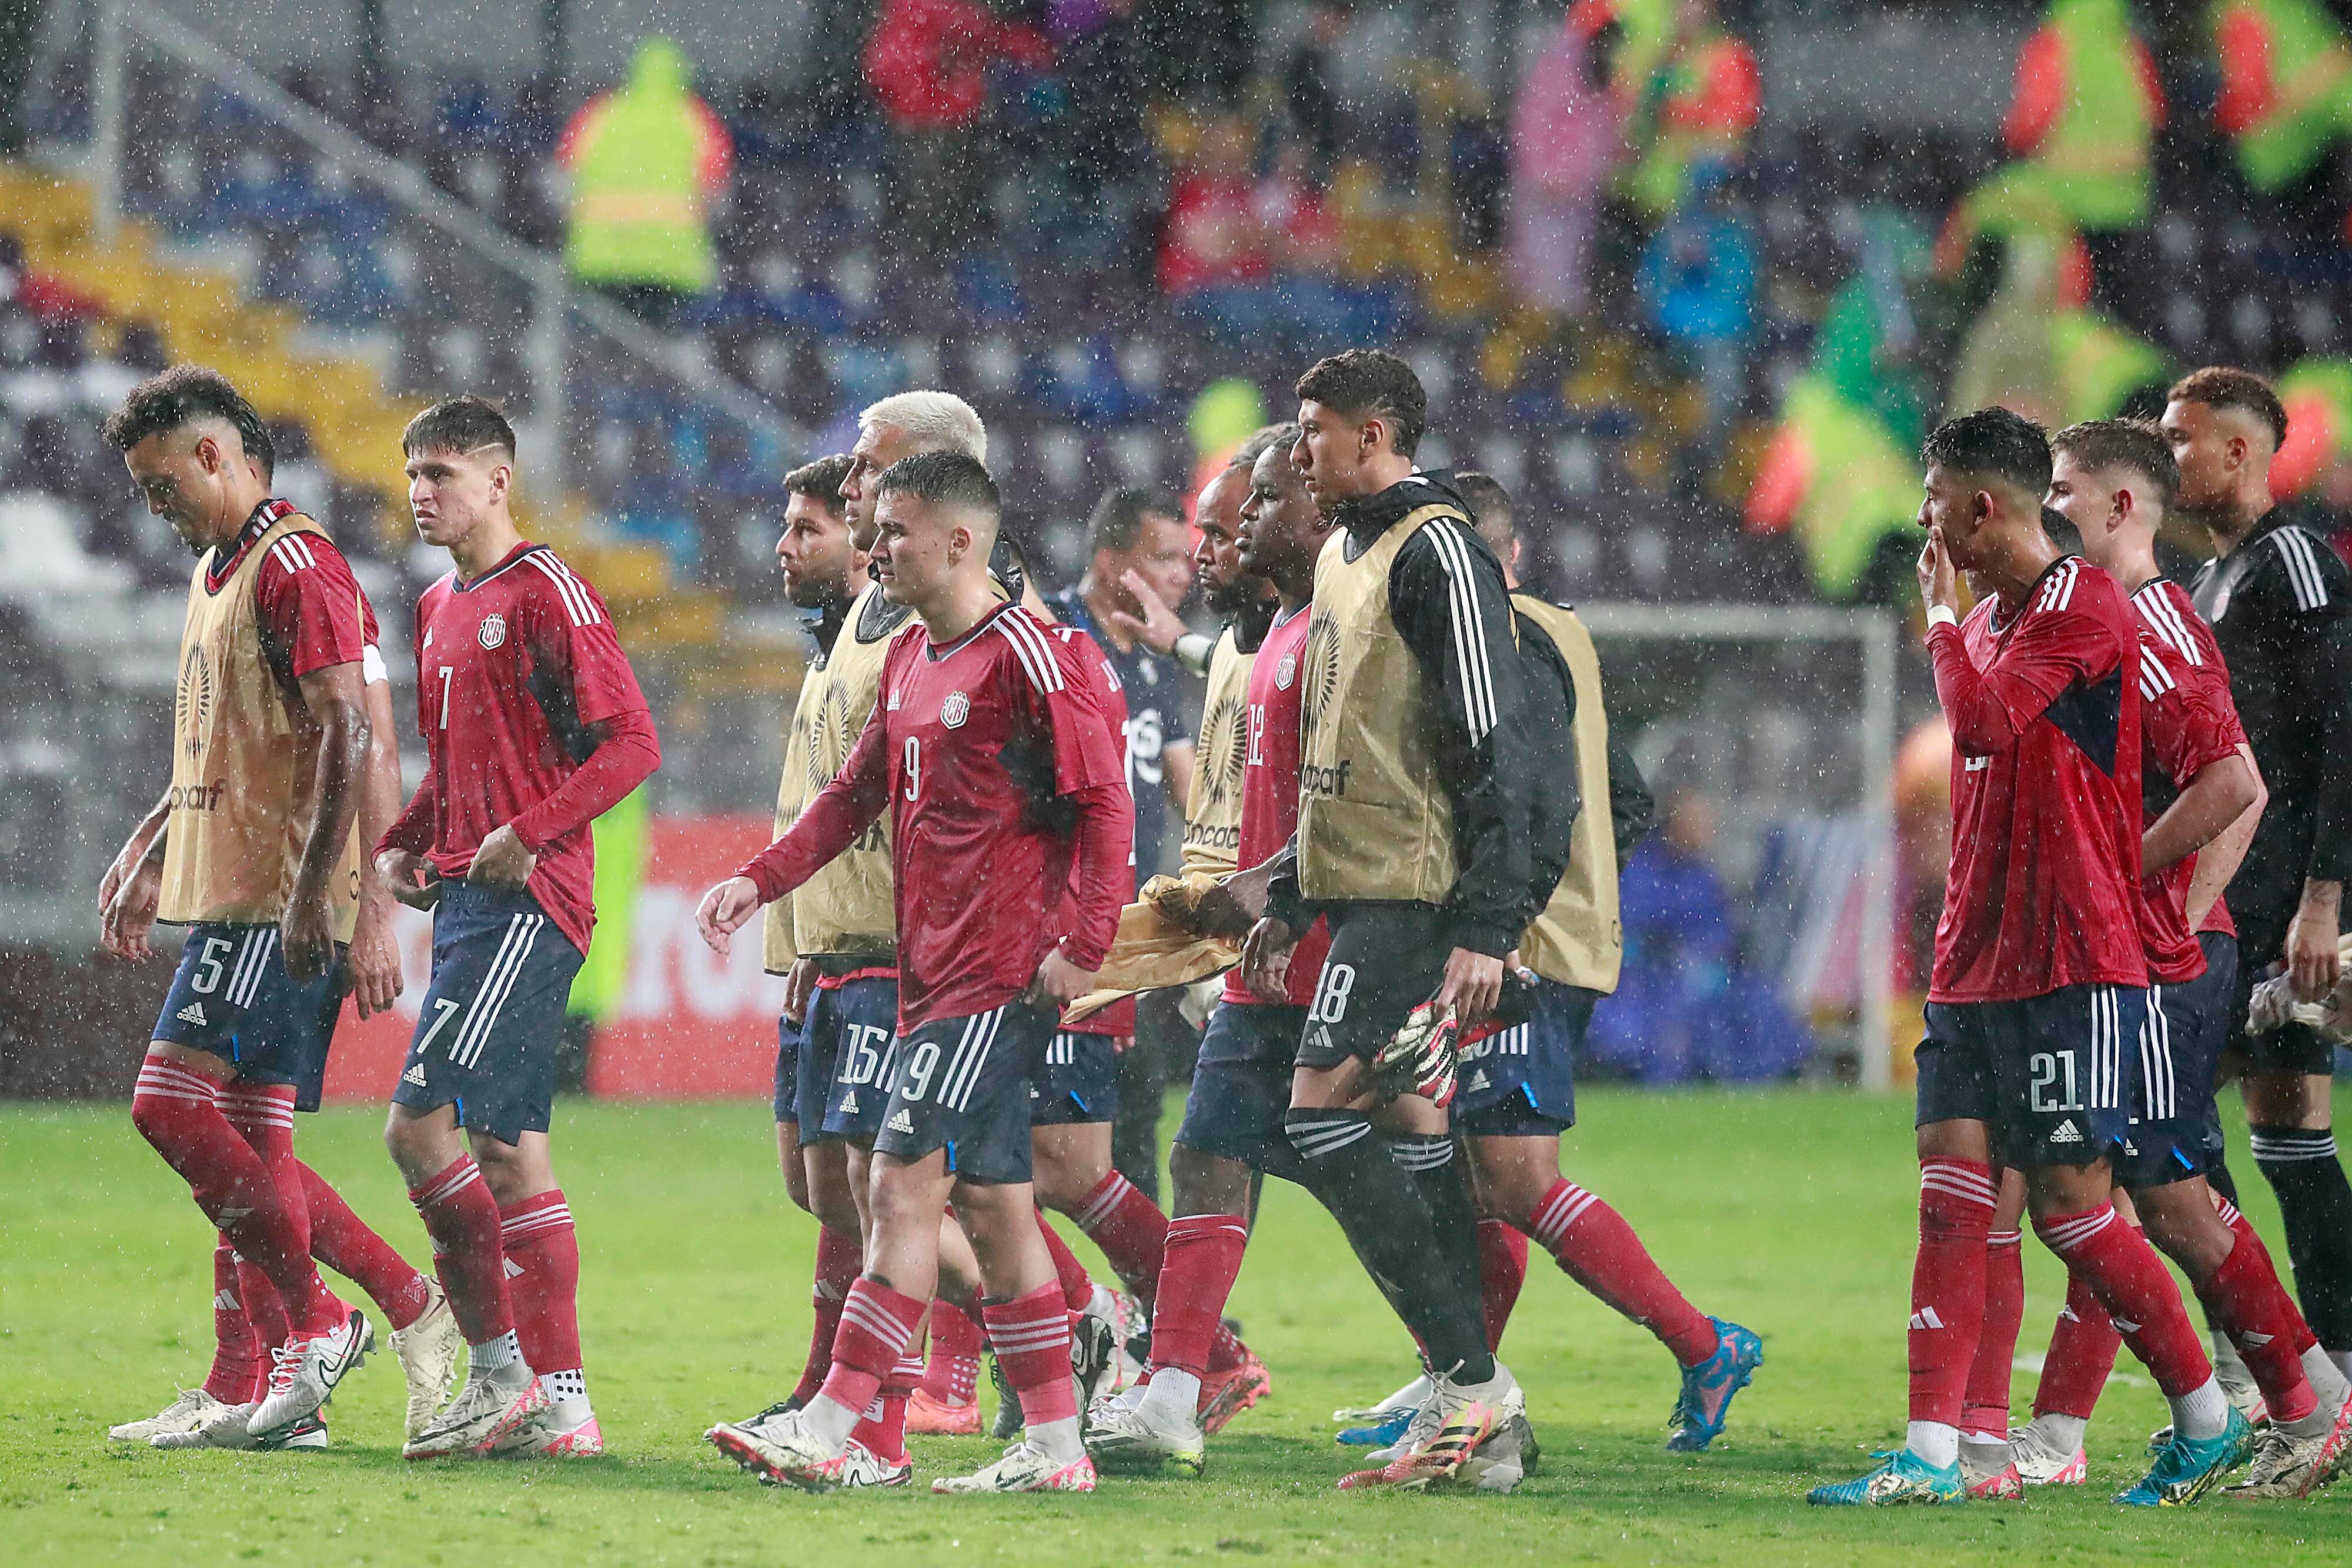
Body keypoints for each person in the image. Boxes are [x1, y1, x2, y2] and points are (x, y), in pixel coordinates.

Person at [1810, 407, 2241, 1509]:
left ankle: (2203, 1410)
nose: (1921, 519)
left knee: (2076, 1211)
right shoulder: (1998, 613)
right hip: (1977, 958)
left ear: (1982, 507)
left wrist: (1943, 627)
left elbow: (1989, 725)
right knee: (1953, 1195)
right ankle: (1936, 1452)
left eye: (1934, 497)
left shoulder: (2084, 606)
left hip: (2072, 961)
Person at [695, 452, 1132, 1496]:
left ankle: (835, 1420)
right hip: (931, 975)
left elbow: (1104, 802)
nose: (876, 546)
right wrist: (760, 881)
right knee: (992, 1208)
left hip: (996, 977)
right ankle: (1057, 1446)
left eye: (893, 530)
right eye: (875, 529)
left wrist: (1086, 941)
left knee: (894, 1183)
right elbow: (854, 797)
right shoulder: (909, 656)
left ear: (959, 542)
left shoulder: (1033, 653)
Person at [1334, 470, 1763, 1456]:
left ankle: (1704, 1347)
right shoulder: (1558, 631)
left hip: (1513, 949)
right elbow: (1625, 799)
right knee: (1471, 1168)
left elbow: (1536, 795)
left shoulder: (1507, 643)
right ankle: (1462, 1374)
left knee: (1514, 1174)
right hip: (1526, 939)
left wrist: (1518, 911)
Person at [1972, 419, 2351, 1500]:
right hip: (2124, 950)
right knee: (2134, 1189)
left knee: (2153, 1190)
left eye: (2065, 490)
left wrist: (2155, 901)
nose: (2050, 508)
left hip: (2160, 954)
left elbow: (2237, 781)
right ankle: (2281, 1397)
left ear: (2122, 507)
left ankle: (2299, 1397)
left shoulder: (2154, 615)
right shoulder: (2090, 616)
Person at [97, 366, 453, 1450]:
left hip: (276, 896)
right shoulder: (226, 568)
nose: (155, 509)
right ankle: (320, 1350)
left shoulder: (299, 564)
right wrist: (153, 841)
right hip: (243, 883)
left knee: (168, 1107)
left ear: (215, 455)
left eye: (163, 485)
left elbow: (355, 731)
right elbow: (229, 738)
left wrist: (342, 902)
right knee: (258, 1155)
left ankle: (320, 1322)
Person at [1239, 350, 1535, 1489]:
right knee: (1395, 1136)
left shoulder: (1439, 548)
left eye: (1312, 430)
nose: (1297, 448)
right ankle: (1472, 1408)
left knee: (1316, 1119)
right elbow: (1339, 748)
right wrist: (1296, 891)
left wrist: (1488, 925)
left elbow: (1489, 742)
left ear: (1373, 435)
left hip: (1421, 898)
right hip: (1358, 893)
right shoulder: (1340, 554)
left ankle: (1469, 1380)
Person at [377, 396, 662, 1461]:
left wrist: (528, 833)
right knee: (467, 1138)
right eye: (412, 474)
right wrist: (407, 838)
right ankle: (519, 1382)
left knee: (470, 1136)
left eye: (442, 473)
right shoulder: (439, 603)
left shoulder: (546, 590)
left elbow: (631, 744)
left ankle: (548, 1388)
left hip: (529, 905)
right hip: (465, 902)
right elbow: (454, 768)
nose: (420, 492)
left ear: (499, 481)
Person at [1084, 430, 1320, 1477]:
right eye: (1197, 539)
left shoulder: (1339, 636)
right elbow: (1227, 671)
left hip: (1337, 942)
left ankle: (1472, 1380)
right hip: (1249, 949)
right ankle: (1181, 1381)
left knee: (1431, 1174)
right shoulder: (1252, 644)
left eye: (1223, 534)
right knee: (1208, 1149)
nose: (1207, 554)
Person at [2170, 368, 2352, 1381]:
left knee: (2170, 1143)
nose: (2168, 454)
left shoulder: (2295, 560)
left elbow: (2343, 730)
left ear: (2241, 450)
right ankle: (2317, 1381)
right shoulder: (2212, 579)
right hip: (2239, 903)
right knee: (2287, 1141)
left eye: (2182, 436)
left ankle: (2271, 1380)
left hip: (2274, 908)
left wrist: (2322, 902)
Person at [1046, 486, 1199, 1202]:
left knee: (1135, 1118)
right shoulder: (1051, 636)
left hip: (1129, 927)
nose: (1183, 575)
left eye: (1186, 559)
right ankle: (1031, 1302)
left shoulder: (1153, 660)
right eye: (1163, 558)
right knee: (1046, 1136)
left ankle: (1145, 1308)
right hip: (1058, 921)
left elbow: (1187, 788)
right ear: (1111, 563)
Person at [556, 38, 734, 320]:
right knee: (654, 347)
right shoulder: (695, 120)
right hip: (671, 265)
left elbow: (562, 182)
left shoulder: (602, 114)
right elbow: (717, 197)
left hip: (600, 260)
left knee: (606, 345)